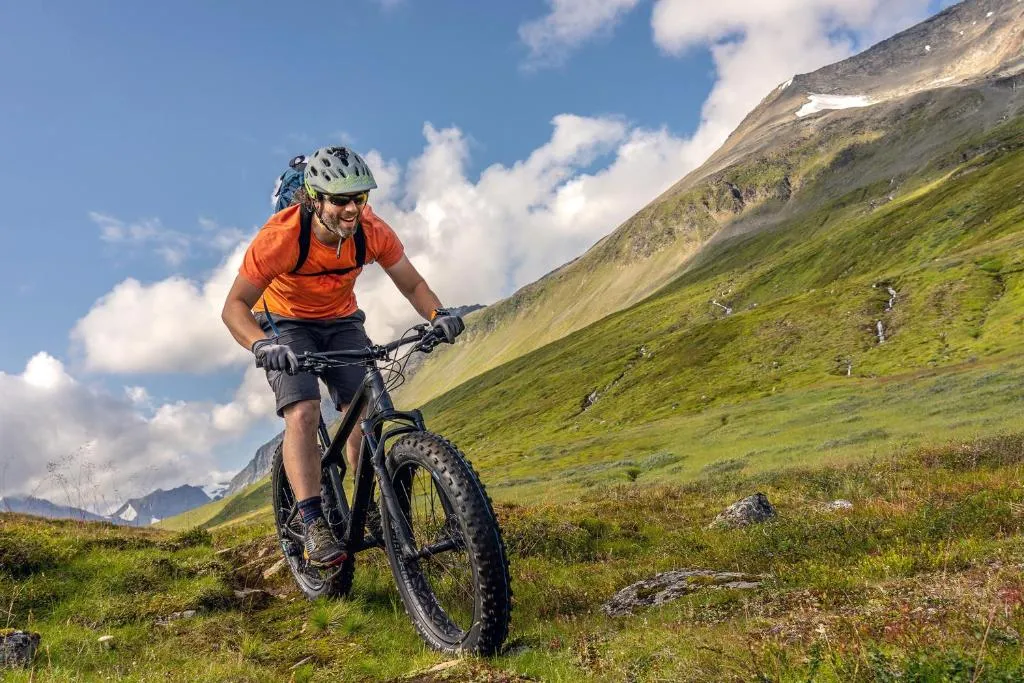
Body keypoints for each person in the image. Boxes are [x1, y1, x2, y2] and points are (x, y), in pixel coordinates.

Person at [221, 146, 464, 567]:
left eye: (359, 198)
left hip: (340, 320)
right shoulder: (280, 238)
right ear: (315, 199)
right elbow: (234, 307)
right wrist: (262, 345)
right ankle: (313, 521)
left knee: (363, 410)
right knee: (303, 411)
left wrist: (437, 315)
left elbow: (412, 283)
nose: (352, 209)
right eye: (340, 200)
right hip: (284, 323)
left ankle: (369, 509)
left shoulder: (372, 231)